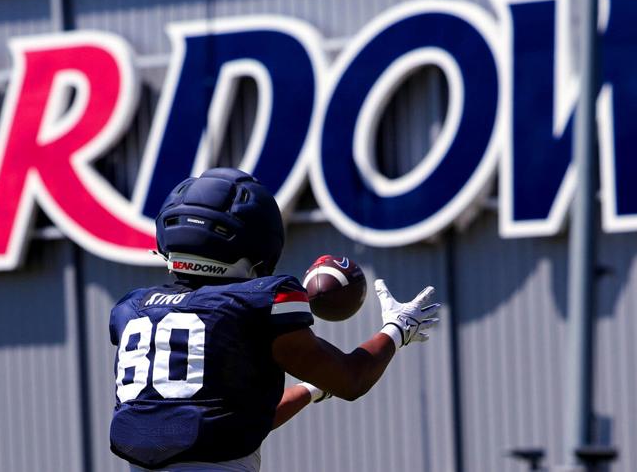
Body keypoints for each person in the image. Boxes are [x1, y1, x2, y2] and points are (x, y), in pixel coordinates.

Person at [109, 167, 442, 471]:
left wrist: (312, 388)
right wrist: (398, 329)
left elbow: (229, 421)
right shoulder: (257, 300)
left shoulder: (133, 309)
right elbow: (351, 379)